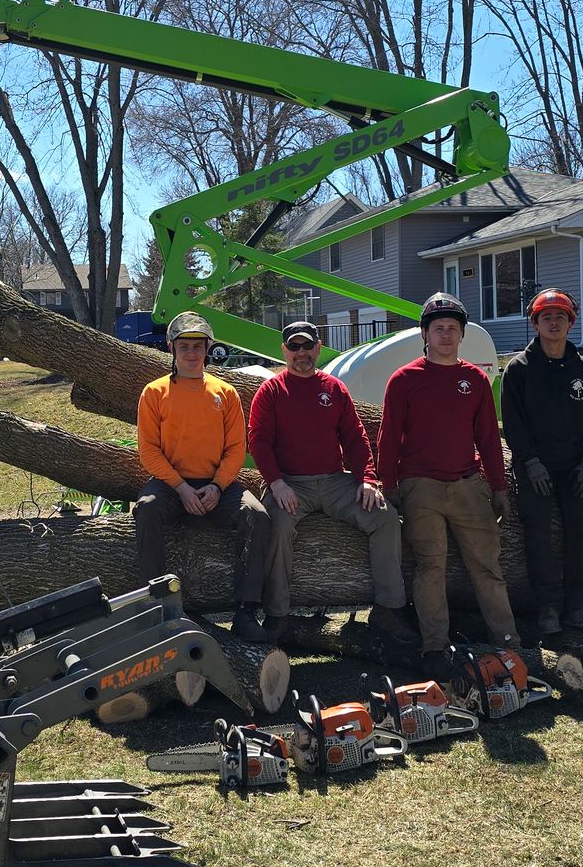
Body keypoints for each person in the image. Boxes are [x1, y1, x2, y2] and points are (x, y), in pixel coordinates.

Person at [377, 292, 528, 682]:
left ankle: (507, 641)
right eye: (438, 328)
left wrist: (498, 487)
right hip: (420, 486)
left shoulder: (474, 379)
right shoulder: (405, 379)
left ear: (462, 335)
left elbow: (488, 439)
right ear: (425, 334)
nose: (445, 335)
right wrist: (389, 486)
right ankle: (434, 647)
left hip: (467, 485)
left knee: (487, 566)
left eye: (452, 329)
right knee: (430, 567)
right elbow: (389, 436)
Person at [238, 319, 403, 643]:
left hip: (334, 483)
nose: (302, 353)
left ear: (318, 347)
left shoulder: (333, 389)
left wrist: (367, 479)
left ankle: (389, 609)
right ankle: (278, 614)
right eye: (295, 347)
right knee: (277, 525)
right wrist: (276, 483)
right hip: (290, 484)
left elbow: (355, 439)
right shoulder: (271, 391)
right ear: (285, 350)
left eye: (307, 346)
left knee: (384, 518)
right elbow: (258, 441)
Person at [133, 311, 267, 594]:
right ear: (171, 348)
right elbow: (148, 451)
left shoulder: (226, 393)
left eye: (198, 346)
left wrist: (217, 486)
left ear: (208, 348)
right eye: (184, 346)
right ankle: (155, 600)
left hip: (217, 485)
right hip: (170, 486)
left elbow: (235, 448)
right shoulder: (154, 393)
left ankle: (248, 606)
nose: (191, 353)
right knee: (146, 508)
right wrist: (181, 488)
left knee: (256, 514)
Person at [501, 288, 583, 637]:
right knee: (539, 534)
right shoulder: (518, 369)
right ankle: (547, 608)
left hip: (575, 465)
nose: (553, 322)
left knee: (580, 532)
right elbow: (512, 421)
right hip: (534, 465)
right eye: (546, 316)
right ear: (535, 323)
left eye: (560, 316)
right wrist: (529, 462)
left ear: (570, 322)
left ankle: (578, 605)